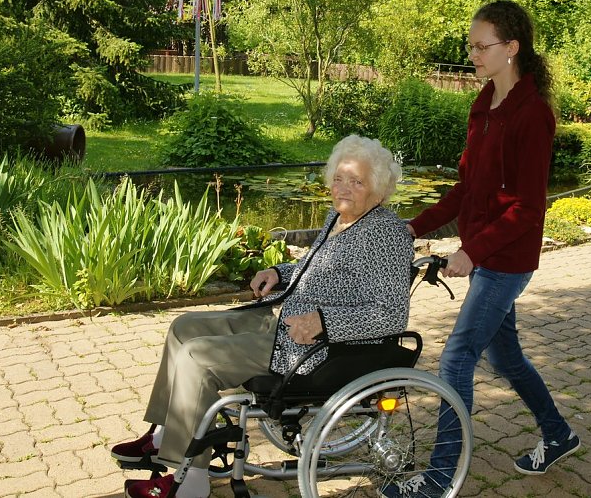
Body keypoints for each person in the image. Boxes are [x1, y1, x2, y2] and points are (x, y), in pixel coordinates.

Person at [112, 135, 414, 498]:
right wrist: (278, 272)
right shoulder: (339, 217)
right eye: (339, 178)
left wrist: (323, 323)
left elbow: (392, 314)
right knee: (183, 327)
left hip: (314, 347)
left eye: (357, 181)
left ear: (379, 191)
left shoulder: (388, 234)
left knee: (197, 356)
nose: (343, 188)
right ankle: (167, 432)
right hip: (286, 321)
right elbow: (314, 268)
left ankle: (189, 479)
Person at [380, 0, 578, 498]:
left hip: (507, 260)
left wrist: (473, 251)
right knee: (505, 356)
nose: (472, 54)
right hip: (486, 251)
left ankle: (439, 480)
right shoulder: (484, 102)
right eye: (470, 45)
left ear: (511, 48)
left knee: (457, 358)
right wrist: (415, 225)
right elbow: (466, 187)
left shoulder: (533, 115)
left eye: (480, 45)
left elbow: (529, 209)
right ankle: (559, 434)